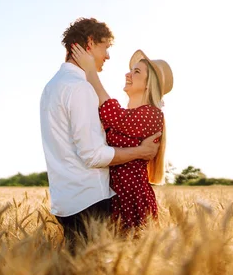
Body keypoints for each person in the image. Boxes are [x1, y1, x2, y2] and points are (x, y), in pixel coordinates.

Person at [40, 17, 162, 252]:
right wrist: (141, 152)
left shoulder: (52, 86)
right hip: (89, 201)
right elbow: (92, 155)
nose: (107, 56)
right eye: (105, 48)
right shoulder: (80, 88)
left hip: (66, 200)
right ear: (89, 44)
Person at [71, 44, 173, 231]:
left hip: (132, 196)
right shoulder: (127, 115)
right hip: (112, 194)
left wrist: (91, 70)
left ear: (150, 83)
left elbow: (112, 113)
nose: (128, 74)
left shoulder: (152, 114)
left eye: (136, 72)